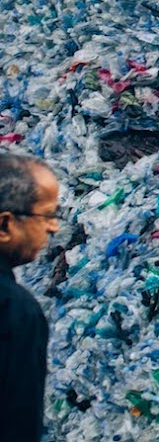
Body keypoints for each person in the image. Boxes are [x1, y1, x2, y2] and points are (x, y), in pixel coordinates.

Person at [0, 153, 59, 442]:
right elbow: (17, 423)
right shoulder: (16, 312)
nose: (54, 226)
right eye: (46, 215)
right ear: (5, 225)